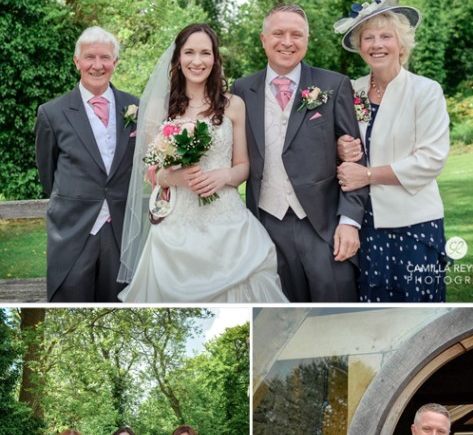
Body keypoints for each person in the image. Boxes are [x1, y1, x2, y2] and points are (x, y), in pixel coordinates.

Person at [118, 23, 287, 303]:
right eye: (189, 52)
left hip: (228, 224)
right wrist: (177, 178)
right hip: (177, 225)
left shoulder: (233, 104)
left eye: (205, 53)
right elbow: (150, 171)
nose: (198, 61)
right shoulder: (159, 108)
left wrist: (223, 176)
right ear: (178, 59)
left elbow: (243, 165)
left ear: (215, 58)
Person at [232, 3, 368, 302]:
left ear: (307, 40)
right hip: (265, 225)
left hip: (324, 225)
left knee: (336, 307)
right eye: (278, 33)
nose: (287, 42)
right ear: (263, 39)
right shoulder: (241, 90)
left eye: (297, 34)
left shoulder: (334, 84)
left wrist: (349, 222)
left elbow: (355, 159)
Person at [333, 0, 451, 302]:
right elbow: (336, 143)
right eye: (368, 37)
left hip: (414, 221)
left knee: (417, 302)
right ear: (360, 47)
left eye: (386, 36)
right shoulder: (349, 90)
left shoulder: (425, 91)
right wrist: (340, 147)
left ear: (401, 44)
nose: (376, 44)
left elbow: (431, 160)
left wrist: (367, 174)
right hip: (365, 223)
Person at [35, 27, 139, 302]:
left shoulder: (135, 107)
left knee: (121, 302)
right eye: (89, 57)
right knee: (70, 299)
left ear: (115, 62)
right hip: (73, 229)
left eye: (105, 57)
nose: (97, 65)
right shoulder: (52, 113)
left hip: (120, 230)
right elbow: (48, 173)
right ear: (76, 61)